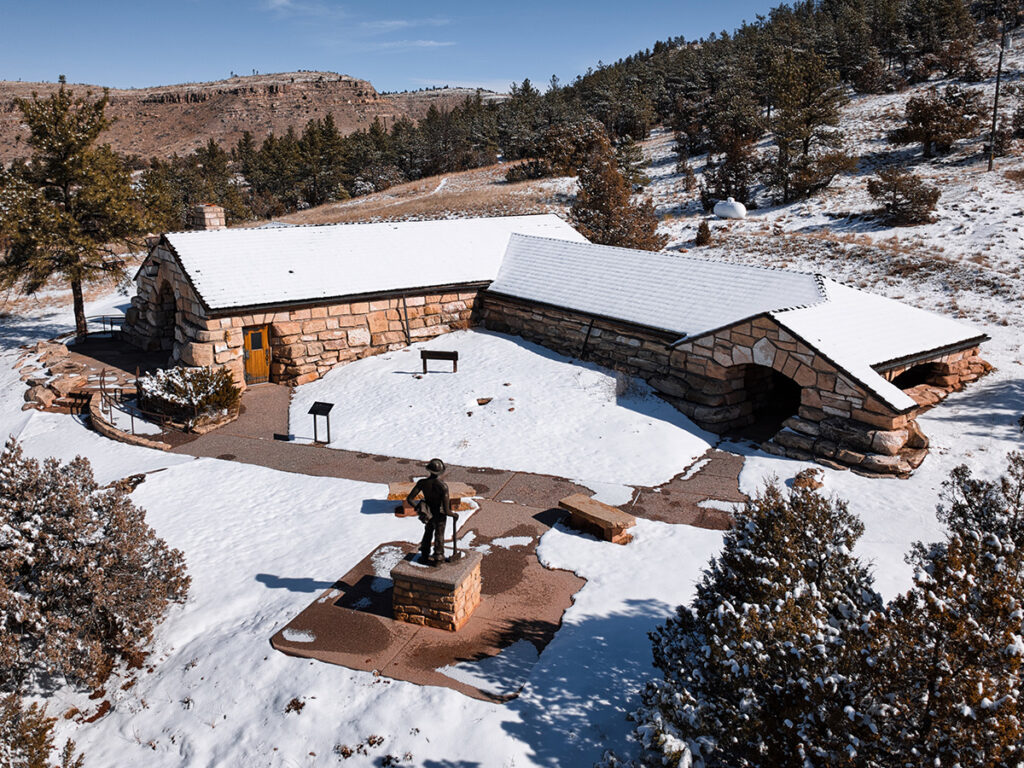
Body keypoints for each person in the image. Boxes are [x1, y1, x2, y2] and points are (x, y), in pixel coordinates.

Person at [405, 458, 458, 565]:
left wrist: (419, 508)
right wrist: (454, 515)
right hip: (439, 513)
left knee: (427, 533)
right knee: (439, 535)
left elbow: (410, 499)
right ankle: (438, 558)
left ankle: (424, 554)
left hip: (428, 512)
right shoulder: (442, 486)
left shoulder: (422, 483)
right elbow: (447, 510)